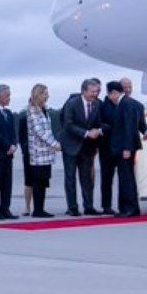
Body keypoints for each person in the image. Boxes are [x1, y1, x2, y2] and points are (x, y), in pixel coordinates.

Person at [60, 79, 103, 216]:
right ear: (83, 91)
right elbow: (68, 124)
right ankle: (72, 208)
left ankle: (89, 207)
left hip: (87, 147)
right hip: (71, 146)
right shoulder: (72, 104)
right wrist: (86, 133)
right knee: (70, 178)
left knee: (87, 178)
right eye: (92, 92)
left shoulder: (98, 104)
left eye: (96, 91)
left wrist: (99, 131)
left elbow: (103, 122)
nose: (95, 94)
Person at [111, 80, 147, 218]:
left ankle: (131, 208)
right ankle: (126, 207)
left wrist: (127, 148)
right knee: (125, 177)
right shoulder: (136, 104)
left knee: (127, 178)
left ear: (115, 92)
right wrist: (146, 130)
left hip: (125, 147)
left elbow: (129, 127)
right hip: (126, 146)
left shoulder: (126, 104)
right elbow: (141, 124)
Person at [26, 84, 62, 218]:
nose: (47, 96)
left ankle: (40, 208)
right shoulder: (33, 110)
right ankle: (38, 210)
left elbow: (47, 130)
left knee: (43, 181)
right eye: (45, 93)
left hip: (46, 153)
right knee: (38, 181)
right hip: (38, 153)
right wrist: (54, 143)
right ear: (38, 94)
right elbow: (39, 131)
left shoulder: (43, 109)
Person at [0, 84, 18, 220]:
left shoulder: (9, 113)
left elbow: (13, 132)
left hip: (9, 154)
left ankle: (6, 208)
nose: (9, 98)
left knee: (7, 183)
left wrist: (14, 144)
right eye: (7, 95)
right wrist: (7, 146)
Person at [97, 82, 121, 215]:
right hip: (106, 147)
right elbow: (108, 122)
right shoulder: (104, 106)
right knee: (107, 178)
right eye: (117, 93)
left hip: (117, 146)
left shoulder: (119, 104)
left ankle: (119, 204)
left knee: (120, 177)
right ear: (111, 93)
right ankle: (106, 205)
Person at [17, 106, 32, 216]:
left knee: (40, 181)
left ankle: (39, 206)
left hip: (41, 153)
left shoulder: (45, 115)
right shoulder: (24, 118)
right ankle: (27, 207)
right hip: (28, 152)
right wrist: (24, 150)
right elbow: (21, 136)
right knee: (28, 181)